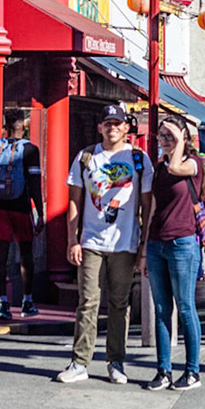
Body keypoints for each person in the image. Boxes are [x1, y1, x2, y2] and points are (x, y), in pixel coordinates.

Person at [56, 105, 152, 385]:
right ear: (100, 127)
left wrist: (143, 247)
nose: (112, 128)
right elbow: (74, 200)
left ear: (126, 128)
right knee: (87, 302)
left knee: (119, 304)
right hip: (91, 242)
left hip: (124, 243)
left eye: (117, 123)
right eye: (107, 123)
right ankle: (80, 361)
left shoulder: (138, 159)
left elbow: (147, 206)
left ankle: (116, 361)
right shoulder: (86, 157)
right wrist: (72, 239)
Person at [142, 115, 205, 390]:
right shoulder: (158, 168)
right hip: (157, 244)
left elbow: (178, 167)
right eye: (161, 136)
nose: (165, 140)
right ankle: (163, 370)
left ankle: (192, 372)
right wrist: (144, 250)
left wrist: (179, 141)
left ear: (184, 137)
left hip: (183, 243)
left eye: (170, 135)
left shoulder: (193, 164)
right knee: (161, 309)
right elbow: (153, 209)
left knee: (186, 307)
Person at [0, 109, 42, 321]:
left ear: (5, 126)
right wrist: (39, 212)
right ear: (23, 127)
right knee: (26, 255)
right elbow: (35, 184)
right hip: (21, 207)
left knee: (0, 257)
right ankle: (27, 301)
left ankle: (2, 303)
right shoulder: (31, 150)